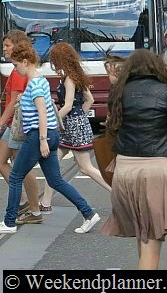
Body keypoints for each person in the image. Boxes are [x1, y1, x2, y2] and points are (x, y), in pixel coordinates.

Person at [0, 40, 100, 235]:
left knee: (15, 177)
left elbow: (42, 113)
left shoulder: (35, 84)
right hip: (52, 135)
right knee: (56, 181)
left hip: (38, 136)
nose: (15, 70)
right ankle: (89, 213)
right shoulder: (41, 81)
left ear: (24, 61)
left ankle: (9, 221)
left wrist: (41, 140)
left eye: (15, 65)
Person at [101, 49, 167, 269]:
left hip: (124, 171)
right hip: (155, 171)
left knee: (143, 235)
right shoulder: (165, 92)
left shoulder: (119, 93)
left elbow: (113, 130)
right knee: (151, 243)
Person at [40, 43, 111, 210]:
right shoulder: (77, 75)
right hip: (73, 127)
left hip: (71, 128)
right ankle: (46, 202)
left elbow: (68, 105)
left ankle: (116, 193)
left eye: (55, 60)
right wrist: (80, 118)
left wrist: (53, 120)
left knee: (86, 168)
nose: (53, 64)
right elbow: (90, 100)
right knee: (52, 164)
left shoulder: (69, 79)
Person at [0, 30, 42, 224]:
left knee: (13, 165)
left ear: (17, 46)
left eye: (8, 45)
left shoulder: (18, 72)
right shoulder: (17, 69)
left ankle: (31, 206)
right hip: (16, 124)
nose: (5, 49)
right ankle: (28, 204)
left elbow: (12, 103)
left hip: (17, 125)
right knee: (6, 162)